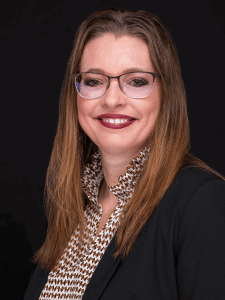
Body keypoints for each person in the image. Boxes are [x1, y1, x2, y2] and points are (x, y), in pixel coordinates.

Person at [23, 7, 225, 300]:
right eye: (94, 81)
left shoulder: (202, 203)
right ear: (75, 94)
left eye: (136, 81)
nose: (112, 99)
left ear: (167, 95)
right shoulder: (74, 209)